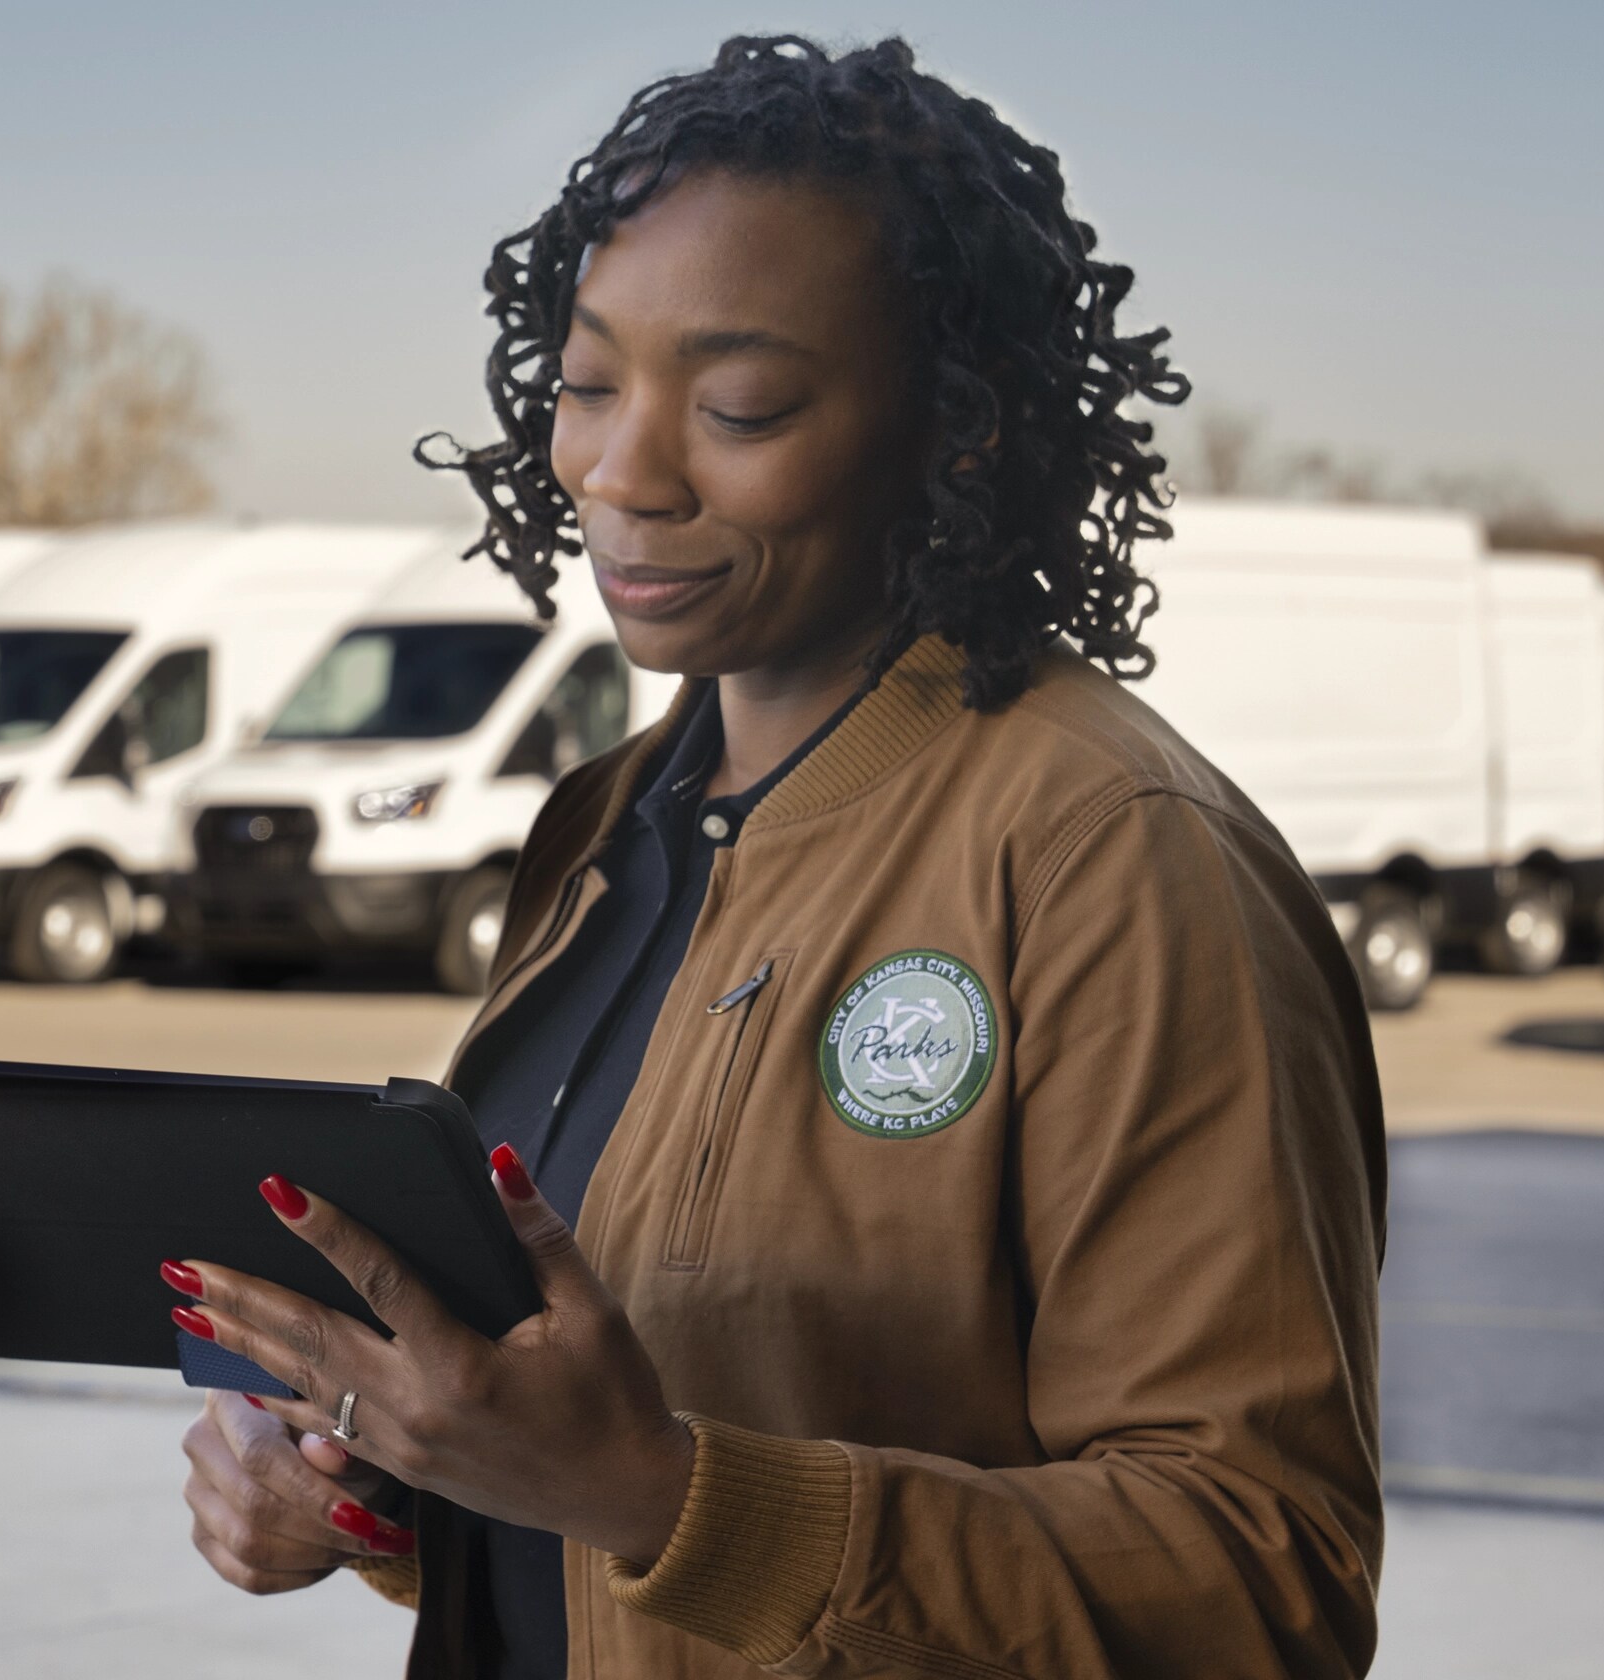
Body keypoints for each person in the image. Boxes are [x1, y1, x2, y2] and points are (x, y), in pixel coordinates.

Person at [168, 35, 1386, 1679]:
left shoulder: (1113, 859)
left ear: (955, 434)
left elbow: (1262, 1582)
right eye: (588, 384)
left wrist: (670, 1498)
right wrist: (371, 1481)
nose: (620, 471)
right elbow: (571, 1477)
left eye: (739, 406)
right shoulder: (601, 834)